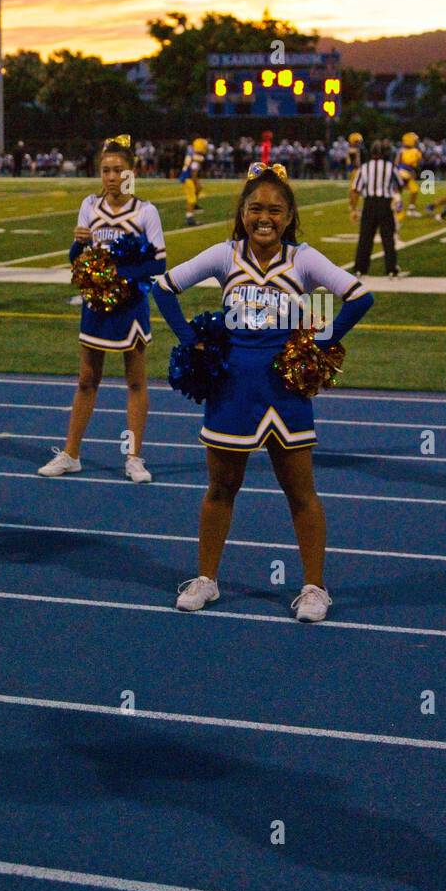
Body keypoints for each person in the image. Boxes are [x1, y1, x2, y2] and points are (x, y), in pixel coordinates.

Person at [152, 163, 374, 622]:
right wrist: (190, 340)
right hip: (231, 389)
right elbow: (164, 288)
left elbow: (358, 297)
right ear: (243, 212)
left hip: (284, 391)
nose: (264, 217)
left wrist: (321, 340)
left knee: (300, 491)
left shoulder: (305, 260)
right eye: (255, 208)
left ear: (289, 216)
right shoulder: (223, 255)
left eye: (275, 209)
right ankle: (206, 579)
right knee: (220, 488)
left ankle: (314, 587)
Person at [38, 137, 166, 482]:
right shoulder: (89, 206)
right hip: (96, 306)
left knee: (135, 381)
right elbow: (76, 260)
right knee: (86, 380)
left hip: (131, 307)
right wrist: (76, 245)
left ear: (131, 172)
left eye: (118, 170)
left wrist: (119, 278)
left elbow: (158, 264)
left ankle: (134, 458)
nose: (111, 177)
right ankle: (71, 454)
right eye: (106, 170)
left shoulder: (145, 211)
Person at [350, 141, 408, 278]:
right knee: (388, 238)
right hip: (385, 204)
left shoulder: (364, 168)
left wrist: (353, 208)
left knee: (365, 237)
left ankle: (360, 268)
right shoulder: (390, 167)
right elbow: (400, 184)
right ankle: (391, 269)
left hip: (369, 204)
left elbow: (355, 189)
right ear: (384, 153)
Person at [179, 136, 208, 226]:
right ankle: (190, 219)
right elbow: (194, 172)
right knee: (191, 199)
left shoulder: (191, 152)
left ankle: (194, 206)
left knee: (198, 190)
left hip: (187, 177)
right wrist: (196, 182)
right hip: (188, 178)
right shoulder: (197, 157)